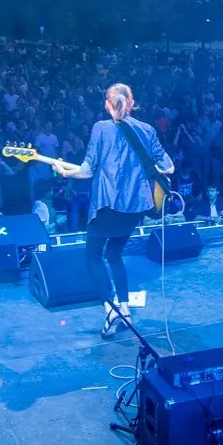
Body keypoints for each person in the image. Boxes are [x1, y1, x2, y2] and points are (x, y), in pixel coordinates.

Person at [47, 83, 174, 338]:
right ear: (131, 102)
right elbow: (168, 167)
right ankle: (125, 309)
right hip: (135, 209)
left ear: (108, 103)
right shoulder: (147, 130)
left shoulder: (101, 128)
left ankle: (110, 308)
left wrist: (65, 171)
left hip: (108, 205)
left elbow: (87, 170)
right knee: (114, 253)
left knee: (93, 255)